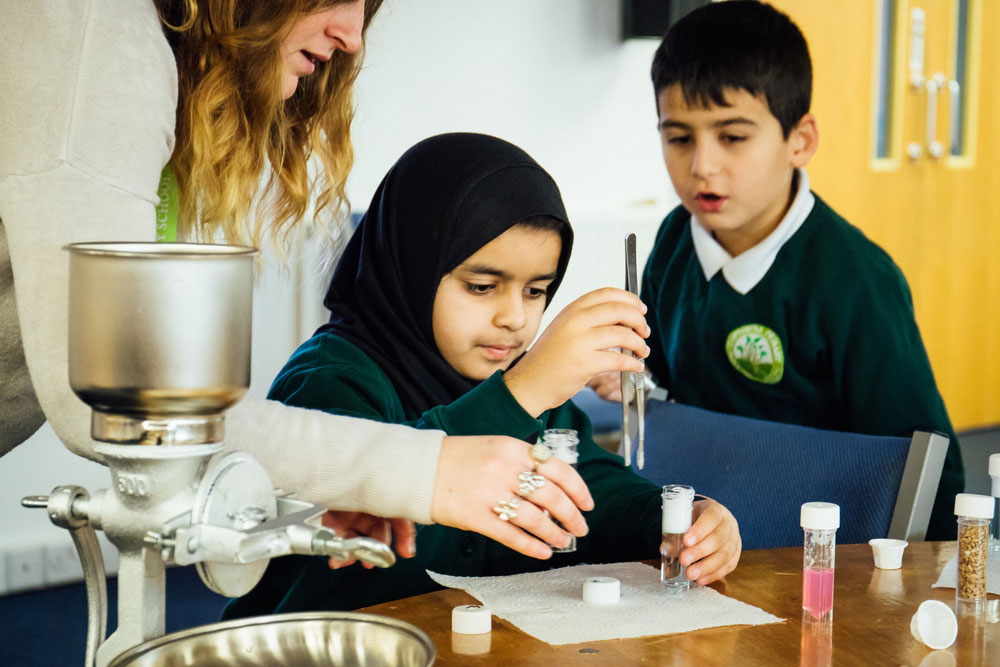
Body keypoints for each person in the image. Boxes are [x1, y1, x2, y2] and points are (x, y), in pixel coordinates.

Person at [0, 0, 592, 560]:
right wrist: (423, 470)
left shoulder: (147, 59)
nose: (354, 34)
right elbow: (131, 399)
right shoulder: (92, 39)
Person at [222, 133, 742, 617]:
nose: (514, 317)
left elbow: (587, 487)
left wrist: (677, 521)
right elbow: (367, 560)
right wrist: (520, 394)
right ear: (412, 265)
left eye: (536, 290)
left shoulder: (516, 377)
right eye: (481, 286)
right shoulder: (327, 381)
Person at [588, 1, 963, 540]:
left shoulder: (856, 280)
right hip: (698, 540)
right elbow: (666, 391)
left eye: (733, 136)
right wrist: (632, 383)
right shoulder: (674, 240)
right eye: (679, 138)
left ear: (800, 141)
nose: (702, 166)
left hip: (811, 560)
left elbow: (929, 475)